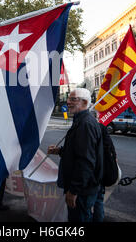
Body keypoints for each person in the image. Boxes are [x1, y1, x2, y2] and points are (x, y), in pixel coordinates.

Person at [48, 88, 103, 222]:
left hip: (82, 190)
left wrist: (74, 191)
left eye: (73, 99)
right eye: (68, 98)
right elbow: (78, 151)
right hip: (83, 188)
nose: (68, 102)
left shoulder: (85, 124)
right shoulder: (81, 121)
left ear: (84, 102)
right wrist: (60, 151)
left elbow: (86, 161)